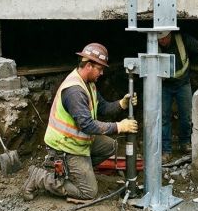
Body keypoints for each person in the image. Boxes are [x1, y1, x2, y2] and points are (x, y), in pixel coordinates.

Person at [22, 43, 138, 201]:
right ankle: (40, 178)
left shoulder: (89, 84)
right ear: (89, 65)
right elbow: (87, 125)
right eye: (100, 68)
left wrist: (121, 104)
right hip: (65, 146)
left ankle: (78, 171)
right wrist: (119, 126)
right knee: (88, 192)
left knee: (110, 146)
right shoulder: (74, 91)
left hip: (79, 141)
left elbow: (102, 107)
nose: (102, 73)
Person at [157, 31, 198, 161]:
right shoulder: (153, 44)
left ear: (170, 34)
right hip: (164, 85)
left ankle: (185, 143)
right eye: (159, 39)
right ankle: (166, 150)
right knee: (163, 117)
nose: (162, 41)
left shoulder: (181, 39)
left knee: (186, 115)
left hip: (183, 84)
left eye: (164, 38)